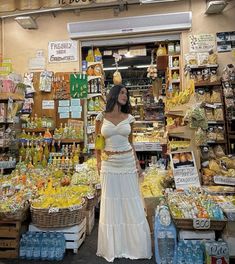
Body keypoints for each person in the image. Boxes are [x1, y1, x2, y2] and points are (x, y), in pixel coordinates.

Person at [95, 84, 152, 262]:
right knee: (110, 204)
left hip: (127, 162)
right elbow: (98, 143)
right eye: (121, 92)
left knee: (132, 201)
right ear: (113, 95)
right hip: (109, 164)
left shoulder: (130, 118)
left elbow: (131, 143)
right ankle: (114, 247)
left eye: (126, 93)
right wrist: (98, 162)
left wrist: (137, 164)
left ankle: (133, 246)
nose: (125, 96)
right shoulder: (100, 117)